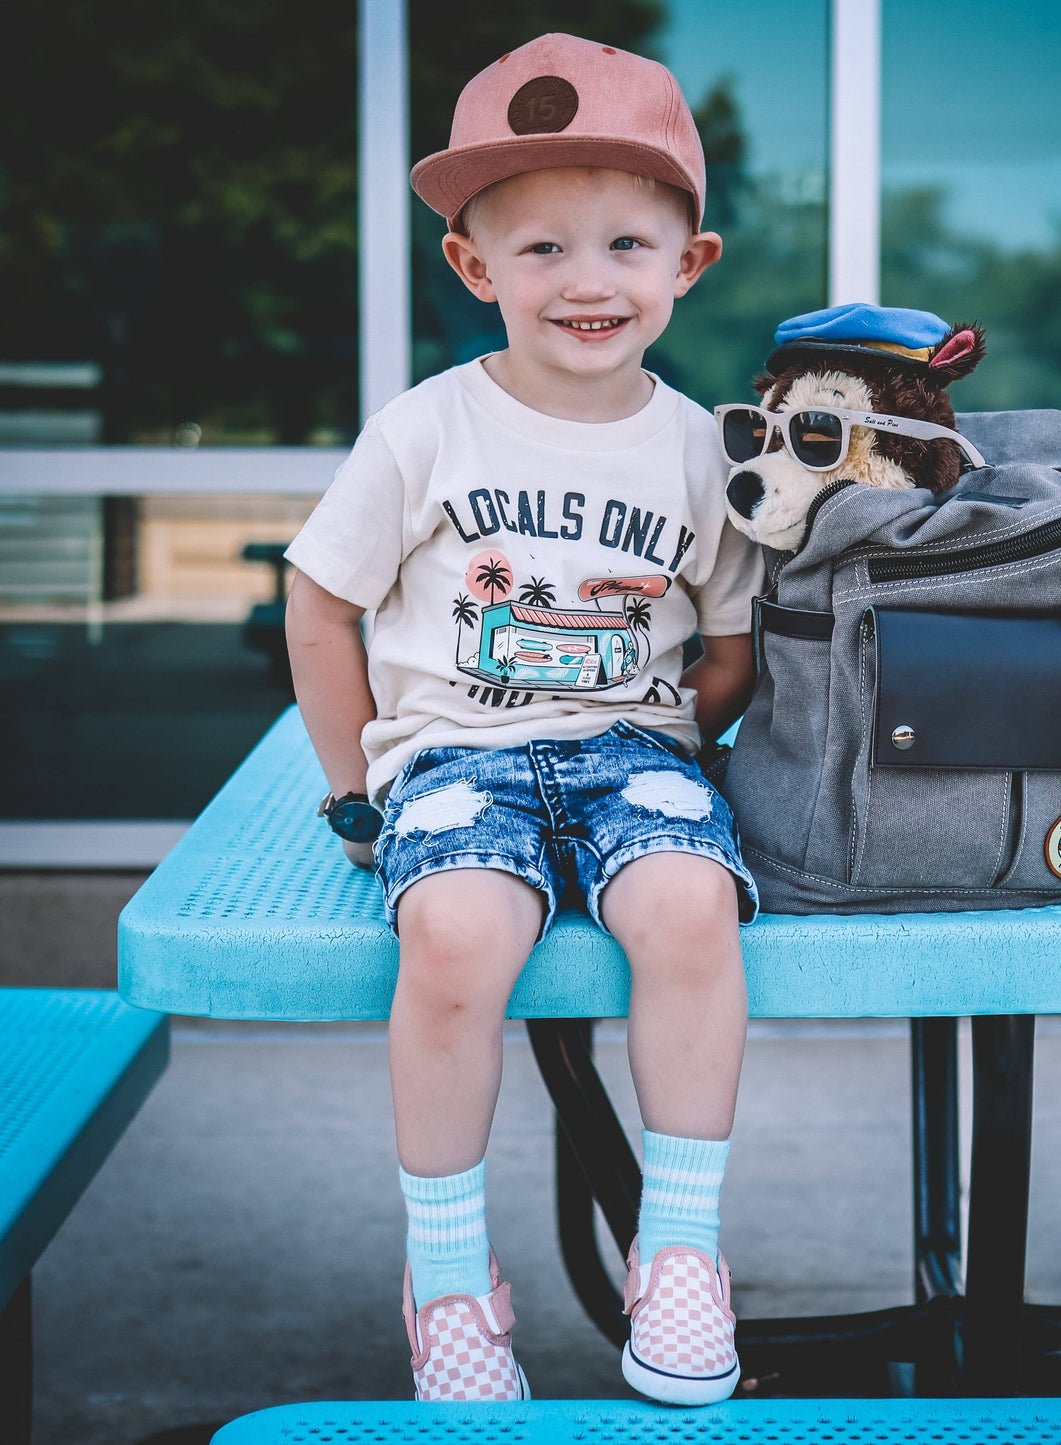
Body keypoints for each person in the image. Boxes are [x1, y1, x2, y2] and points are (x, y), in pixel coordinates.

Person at [283, 32, 763, 1408]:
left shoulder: (697, 447)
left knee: (688, 909)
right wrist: (349, 785)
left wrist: (681, 745)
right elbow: (321, 606)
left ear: (690, 263)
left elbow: (727, 647)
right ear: (473, 267)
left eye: (626, 241)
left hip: (633, 754)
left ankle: (677, 1248)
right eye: (539, 248)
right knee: (449, 935)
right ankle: (447, 1279)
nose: (588, 279)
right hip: (454, 758)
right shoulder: (425, 431)